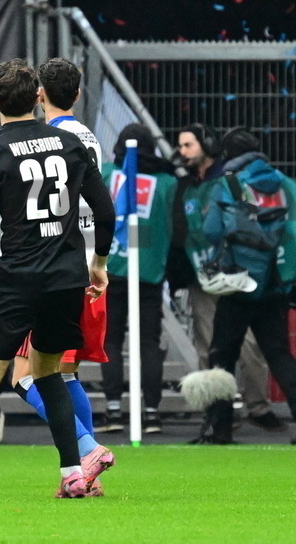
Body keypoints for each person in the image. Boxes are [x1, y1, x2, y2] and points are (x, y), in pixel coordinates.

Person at [0, 59, 115, 499]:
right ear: (36, 97)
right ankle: (73, 473)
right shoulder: (69, 143)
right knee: (50, 375)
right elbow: (105, 210)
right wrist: (98, 263)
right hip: (65, 278)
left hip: (17, 276)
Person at [8, 58, 113, 496]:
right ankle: (83, 476)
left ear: (38, 95)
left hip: (57, 267)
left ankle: (86, 451)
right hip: (91, 267)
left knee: (25, 376)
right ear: (79, 93)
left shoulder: (50, 140)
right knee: (66, 376)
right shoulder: (88, 137)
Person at [171, 124, 278, 430]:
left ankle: (257, 406)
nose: (183, 152)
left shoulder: (227, 181)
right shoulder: (187, 186)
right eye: (181, 145)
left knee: (248, 344)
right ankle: (217, 412)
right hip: (201, 276)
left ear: (206, 145)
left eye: (188, 145)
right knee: (207, 345)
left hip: (233, 273)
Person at [195, 127, 296, 444]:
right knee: (279, 355)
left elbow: (212, 230)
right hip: (275, 283)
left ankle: (220, 428)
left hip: (238, 282)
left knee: (221, 355)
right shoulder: (284, 183)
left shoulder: (228, 183)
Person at [99, 124, 176, 434]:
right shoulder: (168, 183)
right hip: (149, 271)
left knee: (112, 342)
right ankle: (152, 412)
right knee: (148, 343)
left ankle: (114, 410)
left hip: (111, 268)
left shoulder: (107, 174)